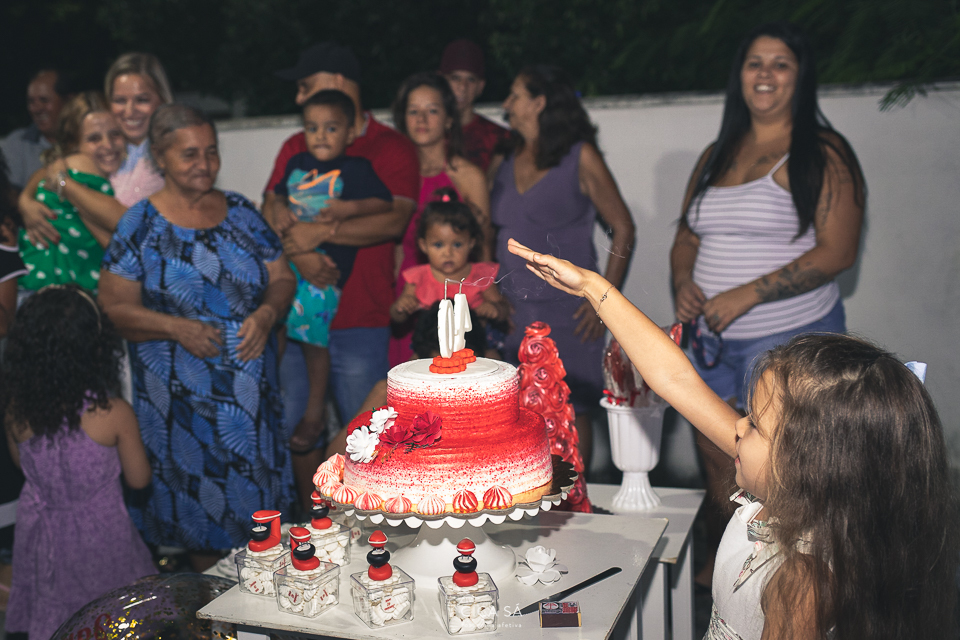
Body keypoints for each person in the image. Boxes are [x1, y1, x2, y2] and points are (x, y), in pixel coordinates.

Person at [509, 238, 957, 640]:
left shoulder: (802, 583)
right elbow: (675, 380)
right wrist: (592, 287)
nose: (738, 426)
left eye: (755, 424)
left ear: (813, 461)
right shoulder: (783, 486)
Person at [669, 22, 866, 587]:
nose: (765, 74)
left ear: (800, 77)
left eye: (781, 64)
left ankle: (796, 580)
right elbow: (687, 235)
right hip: (711, 340)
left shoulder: (822, 152)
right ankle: (735, 564)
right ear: (740, 75)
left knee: (791, 466)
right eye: (755, 62)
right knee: (720, 459)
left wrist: (747, 294)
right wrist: (683, 280)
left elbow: (838, 250)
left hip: (789, 339)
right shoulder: (716, 154)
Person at [98, 105, 296, 569]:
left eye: (211, 151)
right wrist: (176, 327)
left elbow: (283, 277)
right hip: (183, 417)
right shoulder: (139, 225)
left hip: (252, 411)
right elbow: (111, 308)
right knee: (204, 537)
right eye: (190, 154)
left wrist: (267, 313)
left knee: (265, 534)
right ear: (160, 157)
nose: (204, 164)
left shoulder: (242, 212)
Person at [263, 42, 418, 500]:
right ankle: (311, 519)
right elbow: (271, 206)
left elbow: (393, 219)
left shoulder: (391, 146)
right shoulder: (297, 144)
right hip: (297, 313)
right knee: (295, 426)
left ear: (336, 83)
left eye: (305, 85)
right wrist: (303, 254)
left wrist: (322, 232)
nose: (299, 98)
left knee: (365, 434)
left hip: (360, 318)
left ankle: (369, 522)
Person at [490, 65, 636, 468]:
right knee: (519, 413)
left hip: (568, 311)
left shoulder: (579, 156)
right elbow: (487, 229)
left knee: (571, 409)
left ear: (539, 103)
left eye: (515, 95)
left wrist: (603, 300)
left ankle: (577, 496)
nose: (506, 104)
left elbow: (623, 226)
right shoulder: (505, 158)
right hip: (513, 313)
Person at [2, 285, 155, 640]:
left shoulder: (16, 410)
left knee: (59, 618)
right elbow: (139, 479)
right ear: (95, 347)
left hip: (42, 533)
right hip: (103, 537)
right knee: (115, 614)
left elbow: (23, 466)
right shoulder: (112, 413)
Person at [272, 88, 392, 464]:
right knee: (274, 319)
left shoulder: (357, 169)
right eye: (312, 128)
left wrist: (347, 209)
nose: (321, 136)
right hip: (291, 264)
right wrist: (280, 209)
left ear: (350, 132)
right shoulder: (296, 162)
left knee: (313, 337)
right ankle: (269, 393)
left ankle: (314, 412)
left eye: (331, 128)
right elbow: (276, 196)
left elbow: (383, 202)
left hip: (323, 273)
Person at [19, 53, 172, 250]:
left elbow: (132, 229)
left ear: (162, 99)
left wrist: (67, 186)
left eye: (142, 99)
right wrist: (25, 199)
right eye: (120, 100)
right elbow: (55, 167)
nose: (129, 111)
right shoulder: (118, 147)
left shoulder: (168, 157)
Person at [389, 72, 492, 364]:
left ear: (449, 119)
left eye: (432, 110)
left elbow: (484, 247)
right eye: (413, 111)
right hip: (410, 295)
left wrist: (485, 302)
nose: (422, 119)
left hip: (459, 299)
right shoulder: (394, 176)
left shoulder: (468, 176)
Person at [17, 92, 125, 294]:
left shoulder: (60, 170)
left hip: (34, 284)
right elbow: (127, 229)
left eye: (115, 134)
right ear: (73, 144)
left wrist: (25, 198)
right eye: (94, 138)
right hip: (57, 293)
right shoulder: (82, 166)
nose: (108, 145)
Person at [391, 189, 508, 344]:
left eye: (457, 244)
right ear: (424, 245)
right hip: (431, 346)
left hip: (474, 346)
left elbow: (504, 310)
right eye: (438, 245)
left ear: (471, 243)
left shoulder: (480, 277)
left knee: (492, 357)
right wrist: (401, 308)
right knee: (415, 359)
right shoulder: (418, 278)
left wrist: (495, 310)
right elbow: (397, 317)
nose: (448, 253)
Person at [439, 39, 509, 173]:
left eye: (471, 79)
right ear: (441, 81)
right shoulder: (425, 132)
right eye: (455, 78)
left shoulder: (500, 138)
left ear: (480, 86)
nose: (462, 86)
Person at [1, 69, 70, 191]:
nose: (36, 109)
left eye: (44, 100)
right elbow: (9, 195)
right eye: (31, 102)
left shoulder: (85, 142)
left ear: (67, 101)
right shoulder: (16, 143)